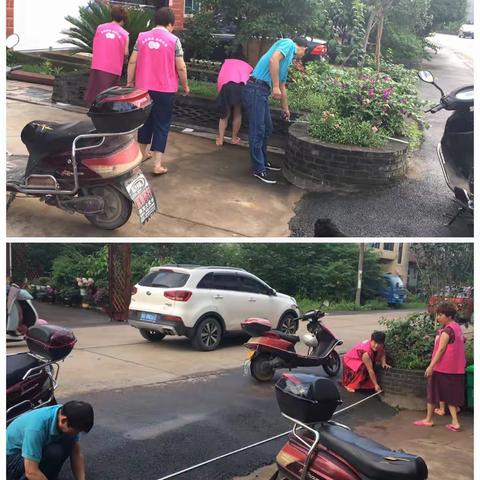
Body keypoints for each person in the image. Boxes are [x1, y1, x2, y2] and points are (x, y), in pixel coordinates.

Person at [127, 7, 189, 175]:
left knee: (144, 122)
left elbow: (132, 61)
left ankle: (138, 161)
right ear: (170, 24)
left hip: (143, 89)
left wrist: (130, 81)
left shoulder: (141, 37)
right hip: (165, 90)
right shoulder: (174, 40)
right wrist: (185, 85)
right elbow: (181, 67)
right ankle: (157, 165)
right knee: (162, 124)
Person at [242, 37, 308, 184]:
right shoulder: (289, 43)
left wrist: (286, 109)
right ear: (303, 48)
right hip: (255, 88)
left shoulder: (286, 61)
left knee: (267, 128)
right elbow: (273, 60)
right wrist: (275, 87)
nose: (304, 54)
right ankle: (258, 169)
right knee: (258, 130)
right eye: (305, 51)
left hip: (261, 91)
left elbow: (283, 86)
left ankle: (263, 162)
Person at [7, 401, 94, 480]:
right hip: (10, 461)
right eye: (76, 431)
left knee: (68, 442)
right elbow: (31, 472)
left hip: (29, 451)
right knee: (52, 452)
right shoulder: (36, 428)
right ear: (64, 420)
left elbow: (76, 453)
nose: (76, 434)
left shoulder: (67, 414)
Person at [414, 302, 466, 432]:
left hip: (442, 367)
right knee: (451, 396)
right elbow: (462, 340)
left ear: (448, 316)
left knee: (432, 393)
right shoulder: (456, 328)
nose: (438, 317)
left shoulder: (447, 331)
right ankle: (455, 422)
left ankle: (429, 419)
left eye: (440, 315)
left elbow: (441, 349)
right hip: (456, 368)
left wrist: (431, 366)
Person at [84, 6, 129, 104]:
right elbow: (125, 53)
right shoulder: (124, 34)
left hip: (97, 65)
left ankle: (93, 110)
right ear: (123, 19)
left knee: (95, 91)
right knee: (108, 95)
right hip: (113, 68)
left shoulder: (100, 28)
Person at [215, 48, 253, 146]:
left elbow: (220, 78)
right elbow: (249, 81)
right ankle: (234, 138)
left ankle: (220, 139)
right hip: (240, 88)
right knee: (237, 113)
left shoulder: (226, 63)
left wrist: (220, 91)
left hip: (226, 87)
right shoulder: (248, 66)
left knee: (224, 114)